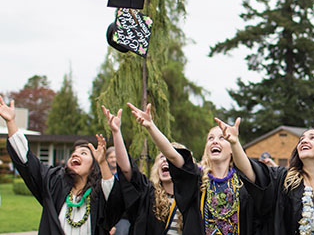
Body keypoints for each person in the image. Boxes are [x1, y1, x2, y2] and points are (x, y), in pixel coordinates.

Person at [126, 102, 259, 235]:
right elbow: (173, 156)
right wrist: (151, 126)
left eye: (222, 138)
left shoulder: (241, 183)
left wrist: (235, 142)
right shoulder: (197, 179)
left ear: (231, 150)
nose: (215, 141)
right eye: (210, 138)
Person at [1, 96, 122, 234]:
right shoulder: (54, 183)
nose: (75, 155)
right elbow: (27, 161)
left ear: (93, 166)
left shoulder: (98, 193)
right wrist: (10, 122)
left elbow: (113, 196)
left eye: (83, 153)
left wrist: (102, 162)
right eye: (73, 153)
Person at [238, 127, 314, 235]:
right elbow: (252, 171)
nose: (304, 141)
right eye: (301, 139)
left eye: (312, 138)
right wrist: (234, 143)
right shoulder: (284, 181)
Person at [103, 105, 186, 234]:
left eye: (169, 158)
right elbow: (127, 170)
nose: (165, 160)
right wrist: (116, 132)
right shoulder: (148, 194)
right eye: (161, 157)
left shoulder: (193, 196)